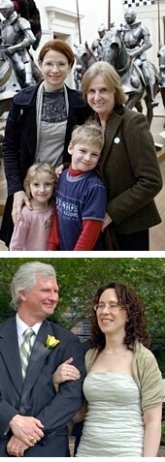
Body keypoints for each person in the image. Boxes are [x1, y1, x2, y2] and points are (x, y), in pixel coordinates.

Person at [53, 281, 164, 457]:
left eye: (113, 305)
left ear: (128, 313)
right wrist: (58, 382)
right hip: (87, 453)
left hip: (129, 453)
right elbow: (78, 415)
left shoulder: (143, 359)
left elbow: (153, 420)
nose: (104, 311)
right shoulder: (89, 356)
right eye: (101, 305)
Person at [0, 38, 91, 248]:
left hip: (64, 187)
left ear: (70, 67)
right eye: (49, 63)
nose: (55, 70)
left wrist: (68, 167)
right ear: (40, 65)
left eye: (61, 64)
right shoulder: (22, 101)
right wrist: (16, 189)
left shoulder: (80, 104)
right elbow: (10, 147)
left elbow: (87, 146)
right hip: (30, 187)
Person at [0, 261, 85, 457]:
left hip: (48, 449)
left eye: (56, 291)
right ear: (23, 293)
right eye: (46, 291)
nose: (54, 297)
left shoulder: (67, 341)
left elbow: (71, 397)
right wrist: (11, 419)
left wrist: (29, 435)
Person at [81, 61, 162, 250]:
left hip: (128, 226)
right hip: (95, 223)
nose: (97, 97)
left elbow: (151, 181)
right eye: (92, 91)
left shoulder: (133, 123)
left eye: (104, 90)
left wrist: (110, 213)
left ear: (115, 92)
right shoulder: (89, 123)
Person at [48, 123, 107, 251]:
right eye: (83, 151)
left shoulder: (95, 187)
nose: (87, 158)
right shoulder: (62, 177)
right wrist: (52, 246)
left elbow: (91, 228)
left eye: (94, 154)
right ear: (70, 148)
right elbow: (57, 215)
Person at [9, 162, 56, 250]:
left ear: (54, 185)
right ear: (28, 187)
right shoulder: (25, 215)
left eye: (47, 184)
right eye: (36, 185)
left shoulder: (54, 208)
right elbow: (15, 247)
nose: (42, 190)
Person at [118, 9, 157, 105]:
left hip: (139, 56)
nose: (127, 19)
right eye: (126, 17)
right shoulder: (123, 28)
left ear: (134, 16)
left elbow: (148, 44)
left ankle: (151, 98)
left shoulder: (142, 28)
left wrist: (135, 53)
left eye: (129, 17)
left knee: (147, 75)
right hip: (125, 56)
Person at [0, 0, 36, 87]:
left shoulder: (21, 21)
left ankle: (32, 90)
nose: (2, 13)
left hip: (19, 53)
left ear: (9, 10)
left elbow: (31, 39)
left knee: (22, 71)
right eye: (1, 11)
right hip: (5, 52)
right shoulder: (3, 24)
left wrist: (14, 48)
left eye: (3, 11)